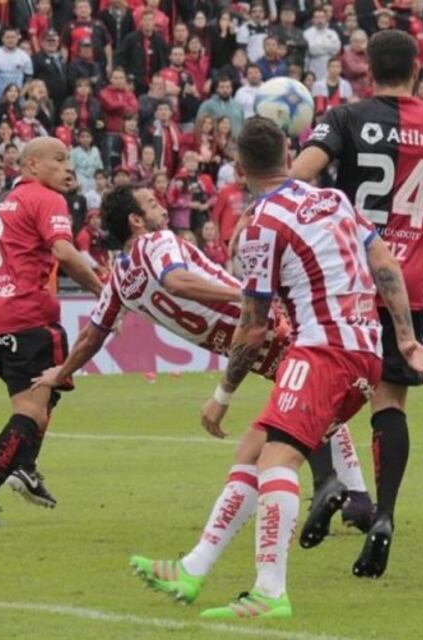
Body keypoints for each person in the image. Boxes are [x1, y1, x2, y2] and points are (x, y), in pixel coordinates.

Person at [31, 184, 378, 597]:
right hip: (267, 328)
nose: (162, 207)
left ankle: (343, 498)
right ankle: (345, 495)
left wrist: (62, 373)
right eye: (152, 204)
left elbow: (92, 336)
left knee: (287, 425)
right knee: (308, 412)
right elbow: (178, 282)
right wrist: (248, 294)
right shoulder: (157, 242)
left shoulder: (120, 279)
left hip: (244, 348)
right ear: (135, 221)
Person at [191, 116, 423, 619]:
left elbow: (254, 326)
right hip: (366, 352)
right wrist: (406, 340)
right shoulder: (334, 199)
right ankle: (194, 567)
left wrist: (222, 394)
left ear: (239, 169)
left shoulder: (262, 223)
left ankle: (269, 591)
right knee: (253, 446)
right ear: (289, 154)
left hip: (322, 350)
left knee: (278, 462)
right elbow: (385, 262)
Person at [291, 29, 423, 578]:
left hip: (347, 283)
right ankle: (386, 515)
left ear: (368, 71)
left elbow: (301, 175)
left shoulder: (346, 117)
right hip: (410, 286)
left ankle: (327, 479)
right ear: (418, 70)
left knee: (315, 384)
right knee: (390, 403)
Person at [0, 138, 103, 527]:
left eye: (70, 159)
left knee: (40, 397)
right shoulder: (46, 199)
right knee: (33, 409)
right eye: (59, 159)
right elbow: (64, 253)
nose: (68, 167)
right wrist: (104, 291)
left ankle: (25, 469)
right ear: (32, 165)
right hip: (24, 315)